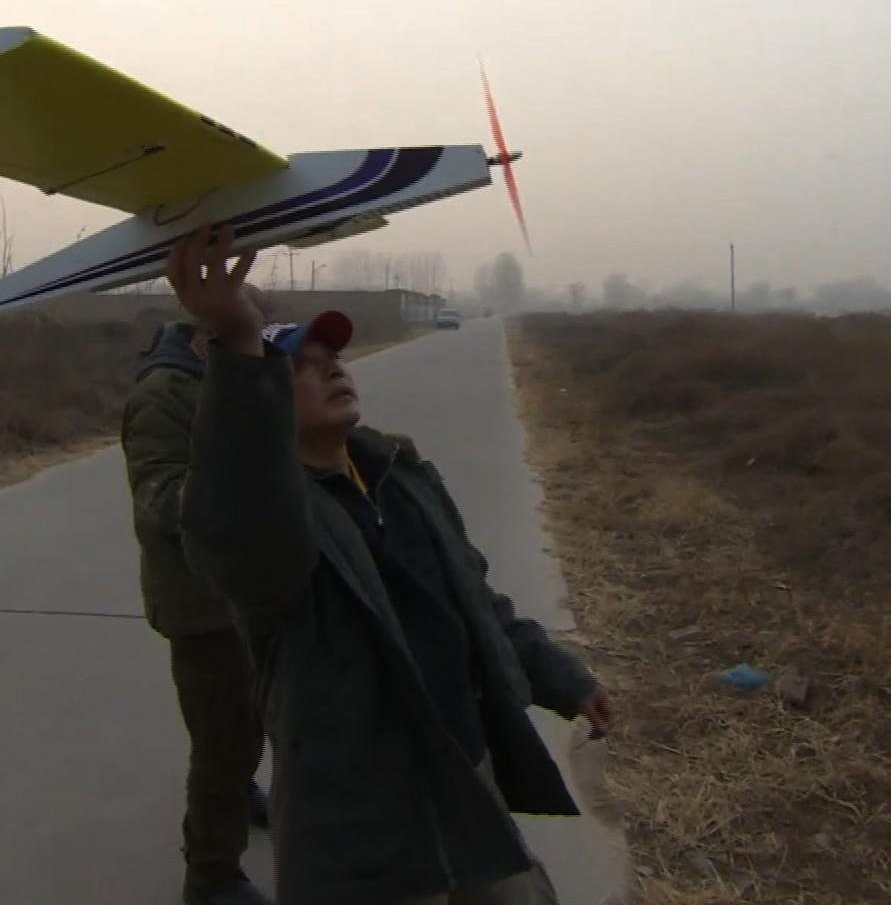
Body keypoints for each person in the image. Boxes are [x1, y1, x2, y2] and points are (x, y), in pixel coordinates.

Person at [167, 226, 614, 905]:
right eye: (303, 365)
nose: (333, 368)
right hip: (362, 823)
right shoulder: (275, 522)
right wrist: (236, 341)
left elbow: (473, 597)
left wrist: (561, 677)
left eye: (335, 356)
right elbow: (233, 510)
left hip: (465, 781)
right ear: (264, 402)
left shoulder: (401, 475)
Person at [122, 315, 276, 905]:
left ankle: (243, 793)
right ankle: (211, 874)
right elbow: (159, 499)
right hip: (203, 605)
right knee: (222, 744)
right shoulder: (164, 395)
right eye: (245, 333)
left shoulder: (233, 377)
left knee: (256, 717)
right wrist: (243, 488)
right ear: (203, 338)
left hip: (254, 592)